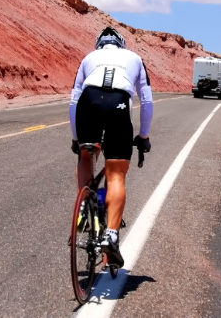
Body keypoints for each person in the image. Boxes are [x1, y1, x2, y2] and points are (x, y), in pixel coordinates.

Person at [69, 26, 152, 267]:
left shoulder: (88, 58)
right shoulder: (135, 58)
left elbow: (74, 99)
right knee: (116, 175)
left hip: (88, 103)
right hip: (118, 105)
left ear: (99, 45)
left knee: (86, 155)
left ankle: (84, 208)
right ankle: (111, 236)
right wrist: (143, 136)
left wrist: (76, 139)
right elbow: (146, 99)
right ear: (121, 44)